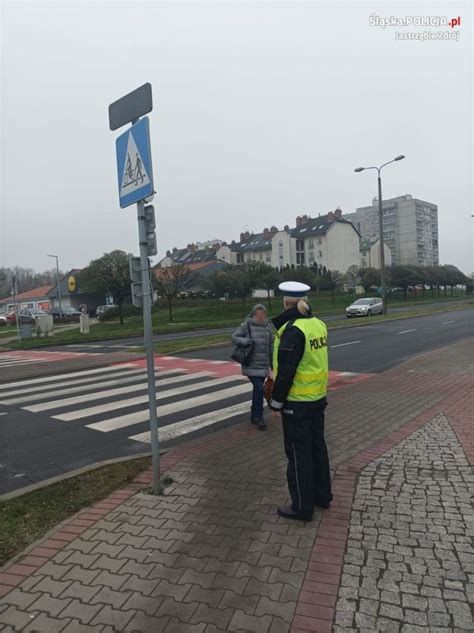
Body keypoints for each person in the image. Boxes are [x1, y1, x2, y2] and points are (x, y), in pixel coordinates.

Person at [269, 281, 331, 521]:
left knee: (298, 454)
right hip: (318, 398)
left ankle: (302, 507)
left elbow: (286, 371)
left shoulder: (292, 330)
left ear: (285, 302)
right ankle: (322, 497)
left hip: (297, 402)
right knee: (318, 448)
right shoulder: (319, 325)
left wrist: (276, 403)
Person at [232, 304, 274, 430]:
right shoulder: (246, 325)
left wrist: (273, 364)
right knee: (260, 389)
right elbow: (234, 337)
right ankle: (259, 416)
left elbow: (270, 346)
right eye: (258, 314)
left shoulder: (267, 327)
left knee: (258, 390)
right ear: (253, 314)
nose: (261, 317)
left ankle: (253, 414)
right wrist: (246, 341)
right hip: (250, 364)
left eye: (263, 314)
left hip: (263, 365)